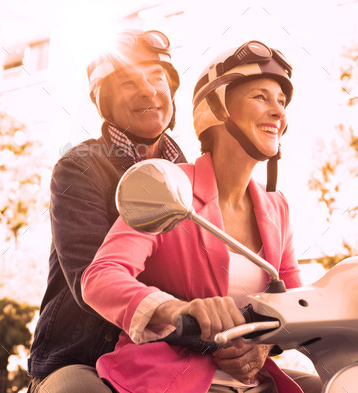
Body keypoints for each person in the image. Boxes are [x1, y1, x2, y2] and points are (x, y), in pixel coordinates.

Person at [81, 41, 322, 393]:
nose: (278, 112)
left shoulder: (277, 206)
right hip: (171, 378)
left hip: (254, 380)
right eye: (261, 97)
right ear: (219, 107)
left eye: (281, 102)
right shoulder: (165, 184)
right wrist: (176, 310)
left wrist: (265, 345)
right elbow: (100, 277)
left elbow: (294, 301)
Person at [27, 30, 187, 393]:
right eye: (129, 82)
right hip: (81, 355)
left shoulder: (190, 177)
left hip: (169, 357)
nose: (148, 90)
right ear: (106, 100)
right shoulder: (78, 168)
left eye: (157, 77)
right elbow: (91, 282)